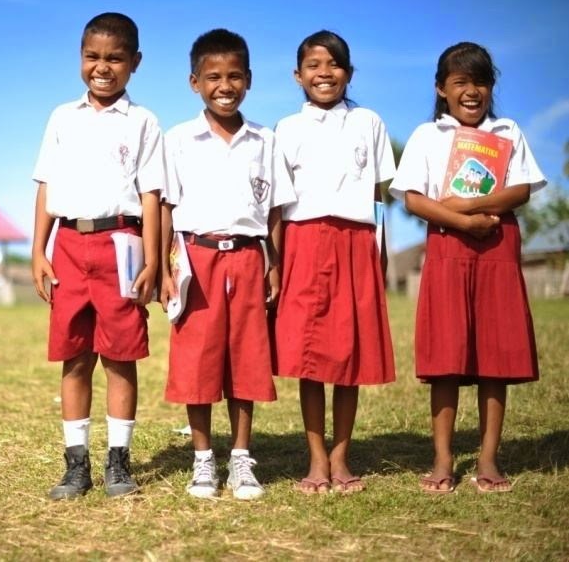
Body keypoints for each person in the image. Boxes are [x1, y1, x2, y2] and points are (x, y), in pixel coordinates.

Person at [389, 42, 546, 494]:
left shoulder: (508, 130)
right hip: (445, 248)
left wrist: (470, 205)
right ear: (442, 89)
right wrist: (460, 220)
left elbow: (520, 191)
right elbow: (415, 199)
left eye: (480, 81)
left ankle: (489, 458)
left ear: (491, 87)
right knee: (446, 357)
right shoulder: (426, 136)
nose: (471, 91)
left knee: (495, 353)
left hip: (497, 244)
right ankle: (443, 458)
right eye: (460, 82)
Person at [31, 12, 163, 500]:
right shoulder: (62, 117)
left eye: (114, 58)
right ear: (80, 58)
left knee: (121, 356)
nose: (102, 67)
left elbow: (151, 195)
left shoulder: (145, 121)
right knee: (75, 355)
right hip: (68, 244)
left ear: (134, 63)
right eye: (92, 57)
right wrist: (37, 250)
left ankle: (118, 462)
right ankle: (76, 463)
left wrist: (152, 258)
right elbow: (47, 185)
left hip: (121, 244)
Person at [160, 29, 295, 500]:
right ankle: (202, 460)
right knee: (197, 360)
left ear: (250, 80)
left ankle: (240, 459)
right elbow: (163, 207)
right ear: (194, 81)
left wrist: (272, 262)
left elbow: (275, 210)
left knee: (246, 358)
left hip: (246, 257)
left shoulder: (265, 139)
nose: (225, 85)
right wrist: (162, 268)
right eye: (213, 76)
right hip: (196, 259)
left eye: (234, 76)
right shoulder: (178, 139)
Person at [273, 30, 396, 495]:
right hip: (303, 240)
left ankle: (342, 457)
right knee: (309, 354)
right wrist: (277, 262)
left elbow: (378, 196)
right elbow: (279, 208)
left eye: (334, 65)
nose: (324, 74)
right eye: (313, 65)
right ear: (298, 74)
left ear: (349, 72)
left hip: (356, 240)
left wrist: (379, 254)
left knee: (349, 351)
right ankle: (316, 458)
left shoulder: (368, 121)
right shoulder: (286, 129)